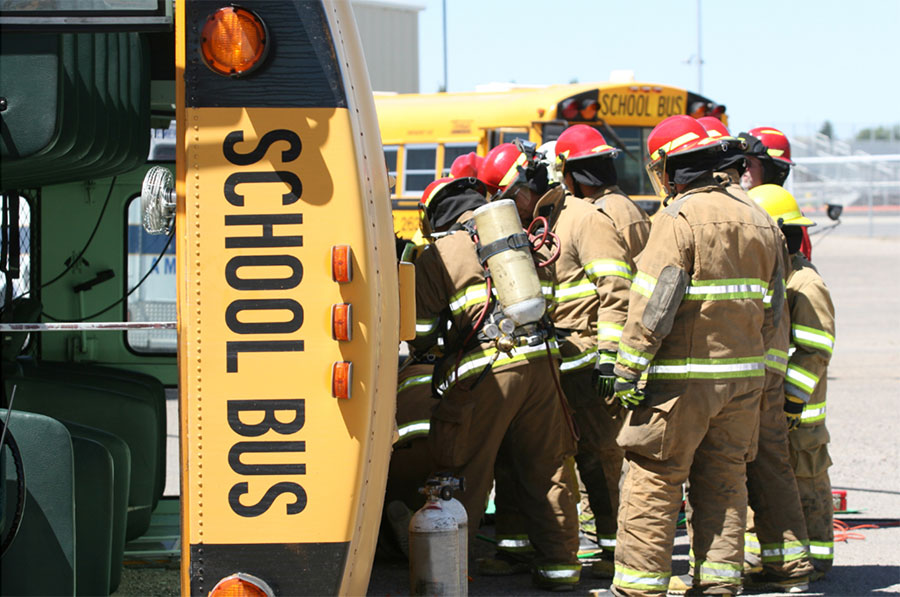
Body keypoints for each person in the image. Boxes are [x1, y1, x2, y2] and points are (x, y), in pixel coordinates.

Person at [610, 115, 785, 597]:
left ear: (673, 168)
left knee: (655, 478)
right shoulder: (760, 217)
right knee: (725, 480)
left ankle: (640, 587)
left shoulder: (678, 218)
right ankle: (718, 584)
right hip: (744, 382)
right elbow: (774, 311)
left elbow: (655, 302)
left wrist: (627, 368)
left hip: (681, 384)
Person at [411, 175, 582, 591]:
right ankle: (560, 568)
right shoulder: (515, 237)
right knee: (548, 467)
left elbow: (419, 331)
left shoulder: (439, 253)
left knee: (463, 468)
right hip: (542, 364)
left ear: (434, 216)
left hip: (486, 372)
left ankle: (449, 573)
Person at [667, 117, 814, 594]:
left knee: (730, 469)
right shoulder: (756, 213)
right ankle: (781, 566)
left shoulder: (702, 214)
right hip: (756, 368)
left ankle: (767, 567)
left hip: (730, 372)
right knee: (754, 469)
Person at [552, 125, 650, 574]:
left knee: (604, 455)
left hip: (603, 352)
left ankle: (616, 551)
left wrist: (610, 357)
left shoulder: (600, 215)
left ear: (572, 174)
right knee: (604, 454)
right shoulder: (623, 207)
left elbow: (616, 288)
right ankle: (610, 543)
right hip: (621, 349)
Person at [750, 184, 837, 582]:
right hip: (779, 408)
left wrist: (791, 400)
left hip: (801, 413)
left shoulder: (804, 283)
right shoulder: (779, 276)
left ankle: (817, 558)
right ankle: (780, 557)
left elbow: (816, 348)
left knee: (807, 480)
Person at [739, 126, 813, 260]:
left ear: (771, 169)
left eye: (750, 163)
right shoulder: (743, 203)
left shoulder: (787, 214)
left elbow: (797, 263)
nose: (744, 169)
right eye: (742, 162)